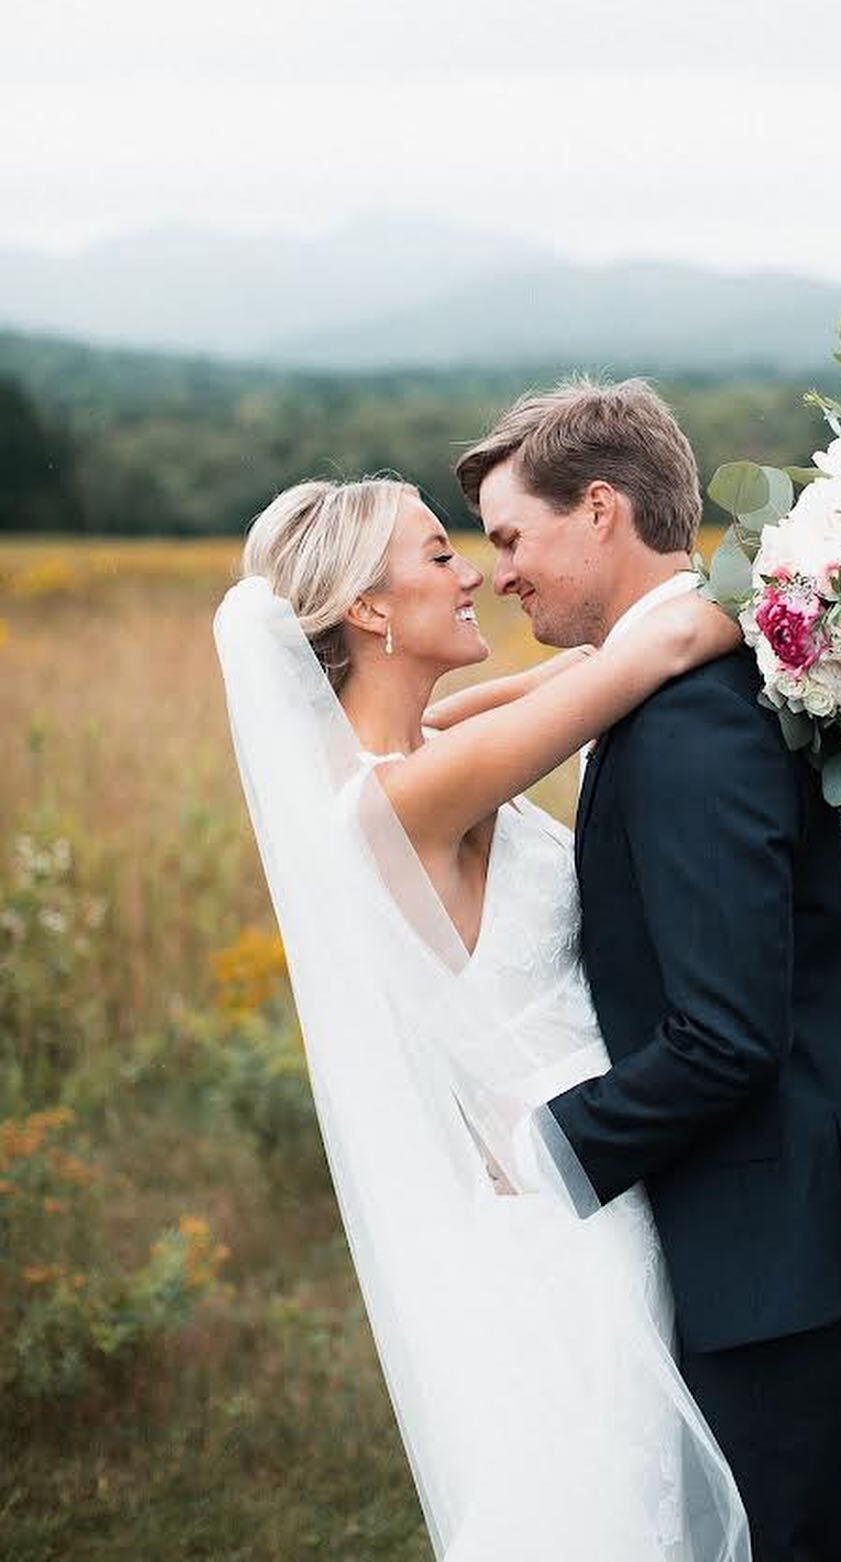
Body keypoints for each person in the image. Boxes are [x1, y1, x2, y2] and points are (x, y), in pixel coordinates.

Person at [214, 475, 750, 1562]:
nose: (474, 574)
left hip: (574, 1169)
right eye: (437, 555)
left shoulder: (390, 763)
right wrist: (839, 579)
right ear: (368, 610)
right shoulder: (407, 799)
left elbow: (538, 683)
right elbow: (655, 650)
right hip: (569, 1203)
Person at [456, 377, 841, 1562]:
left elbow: (724, 1035)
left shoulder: (692, 724)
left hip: (784, 1254)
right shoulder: (671, 675)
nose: (500, 569)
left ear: (601, 508)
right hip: (771, 1226)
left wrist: (543, 1153)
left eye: (512, 536)